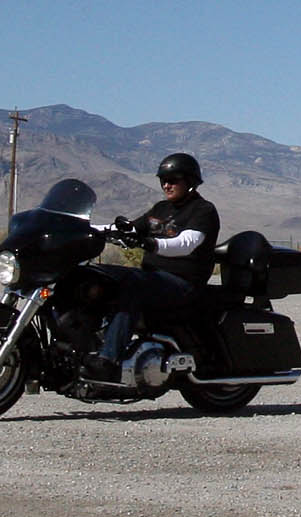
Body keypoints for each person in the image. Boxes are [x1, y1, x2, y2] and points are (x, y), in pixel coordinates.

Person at [88, 153, 222, 379]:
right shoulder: (161, 209)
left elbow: (186, 244)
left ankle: (109, 359)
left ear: (190, 181)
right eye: (163, 180)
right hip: (153, 279)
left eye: (173, 180)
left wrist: (150, 243)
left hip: (182, 284)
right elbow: (130, 229)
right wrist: (86, 228)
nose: (167, 185)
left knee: (131, 285)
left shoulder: (203, 210)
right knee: (97, 276)